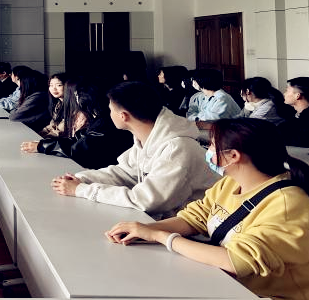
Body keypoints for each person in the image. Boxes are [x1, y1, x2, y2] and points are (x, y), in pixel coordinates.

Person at [105, 119, 309, 300]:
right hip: (241, 288)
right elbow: (196, 218)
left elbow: (237, 261)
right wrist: (144, 230)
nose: (207, 151)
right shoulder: (231, 183)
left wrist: (160, 236)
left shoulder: (288, 204)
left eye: (211, 145)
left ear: (233, 156)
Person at [52, 81, 217, 219]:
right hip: (169, 222)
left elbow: (146, 201)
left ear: (123, 116)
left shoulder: (177, 149)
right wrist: (81, 179)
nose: (108, 114)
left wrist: (82, 190)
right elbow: (124, 173)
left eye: (111, 110)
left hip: (196, 233)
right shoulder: (149, 136)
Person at [23, 80, 132, 170]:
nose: (74, 99)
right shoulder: (98, 118)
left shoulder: (104, 122)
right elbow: (78, 138)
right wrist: (44, 143)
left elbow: (79, 151)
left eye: (76, 96)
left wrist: (42, 146)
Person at [38, 72, 68, 137]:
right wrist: (39, 134)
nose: (54, 88)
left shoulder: (73, 105)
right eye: (51, 85)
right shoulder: (58, 104)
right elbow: (53, 124)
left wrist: (42, 140)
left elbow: (61, 131)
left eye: (59, 85)